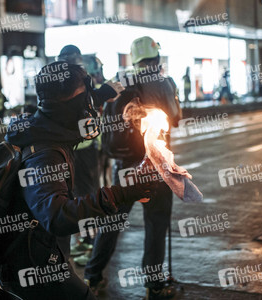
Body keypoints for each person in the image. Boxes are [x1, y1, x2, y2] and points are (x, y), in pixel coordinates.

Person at [0, 62, 154, 300]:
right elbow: (57, 216)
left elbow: (75, 107)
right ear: (70, 104)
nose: (90, 105)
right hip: (36, 267)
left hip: (40, 255)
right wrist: (121, 194)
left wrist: (101, 94)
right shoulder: (45, 153)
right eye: (85, 98)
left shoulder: (47, 125)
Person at [84, 36, 182, 300]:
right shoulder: (164, 82)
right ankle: (153, 286)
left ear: (134, 58)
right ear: (156, 57)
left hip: (125, 165)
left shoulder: (120, 79)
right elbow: (175, 118)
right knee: (156, 224)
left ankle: (92, 277)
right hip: (156, 165)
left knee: (112, 221)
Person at [57, 45, 124, 265]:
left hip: (81, 150)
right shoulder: (77, 81)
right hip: (78, 149)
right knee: (78, 197)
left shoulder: (65, 81)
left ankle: (88, 240)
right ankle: (85, 240)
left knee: (82, 196)